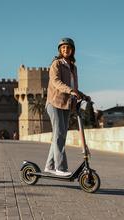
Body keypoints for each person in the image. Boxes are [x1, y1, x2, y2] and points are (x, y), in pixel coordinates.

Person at [44, 38, 90, 176]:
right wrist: (70, 90)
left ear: (72, 50)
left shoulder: (73, 67)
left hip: (66, 104)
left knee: (60, 135)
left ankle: (49, 166)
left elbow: (74, 87)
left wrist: (81, 94)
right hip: (54, 102)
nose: (66, 50)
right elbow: (56, 82)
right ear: (60, 50)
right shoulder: (56, 64)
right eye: (63, 48)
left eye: (68, 48)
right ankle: (60, 168)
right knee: (59, 134)